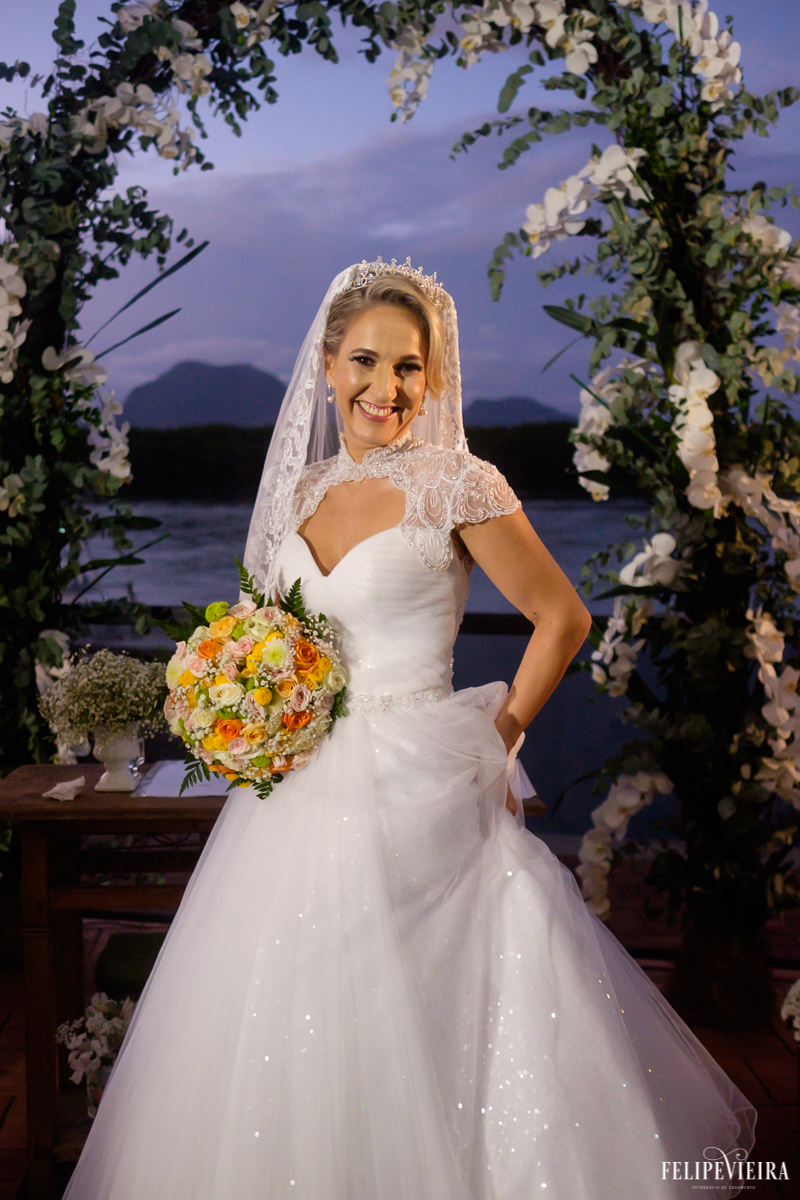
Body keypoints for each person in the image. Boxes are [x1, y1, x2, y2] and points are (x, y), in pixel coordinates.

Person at [63, 258, 756, 1199]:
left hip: (422, 782)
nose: (385, 389)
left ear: (431, 378)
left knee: (423, 1014)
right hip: (301, 793)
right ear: (326, 366)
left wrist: (498, 736)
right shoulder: (298, 498)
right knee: (290, 1015)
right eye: (365, 361)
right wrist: (245, 709)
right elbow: (264, 638)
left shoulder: (458, 485)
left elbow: (564, 619)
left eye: (409, 368)